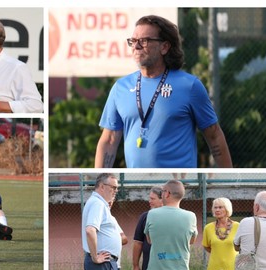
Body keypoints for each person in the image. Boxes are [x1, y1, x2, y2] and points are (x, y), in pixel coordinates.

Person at [95, 15, 232, 168]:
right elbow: (109, 140)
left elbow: (214, 136)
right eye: (133, 41)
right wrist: (98, 182)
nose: (137, 46)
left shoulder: (190, 86)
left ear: (164, 47)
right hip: (136, 186)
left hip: (178, 186)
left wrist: (230, 182)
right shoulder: (120, 87)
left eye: (144, 41)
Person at [144, 180, 197, 270]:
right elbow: (192, 241)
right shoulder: (191, 216)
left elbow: (149, 240)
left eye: (163, 191)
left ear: (167, 194)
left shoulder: (152, 214)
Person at [81, 173, 121, 270]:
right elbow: (90, 230)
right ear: (102, 187)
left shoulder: (99, 203)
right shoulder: (97, 203)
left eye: (117, 188)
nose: (116, 191)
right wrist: (95, 257)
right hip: (102, 264)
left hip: (105, 263)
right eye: (113, 187)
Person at [202, 197, 239, 270]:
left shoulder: (237, 226)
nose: (217, 210)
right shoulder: (208, 228)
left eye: (220, 207)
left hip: (233, 269)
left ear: (227, 209)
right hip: (214, 269)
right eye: (215, 207)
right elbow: (206, 246)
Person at [132, 185, 164, 270]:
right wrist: (135, 265)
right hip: (149, 267)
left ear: (162, 200)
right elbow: (138, 242)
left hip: (169, 268)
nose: (149, 201)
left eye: (152, 199)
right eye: (149, 198)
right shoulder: (145, 216)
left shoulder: (173, 216)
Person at [109, 198, 128, 270]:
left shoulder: (112, 219)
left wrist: (112, 240)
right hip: (106, 264)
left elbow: (124, 239)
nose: (110, 202)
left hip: (116, 264)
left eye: (112, 200)